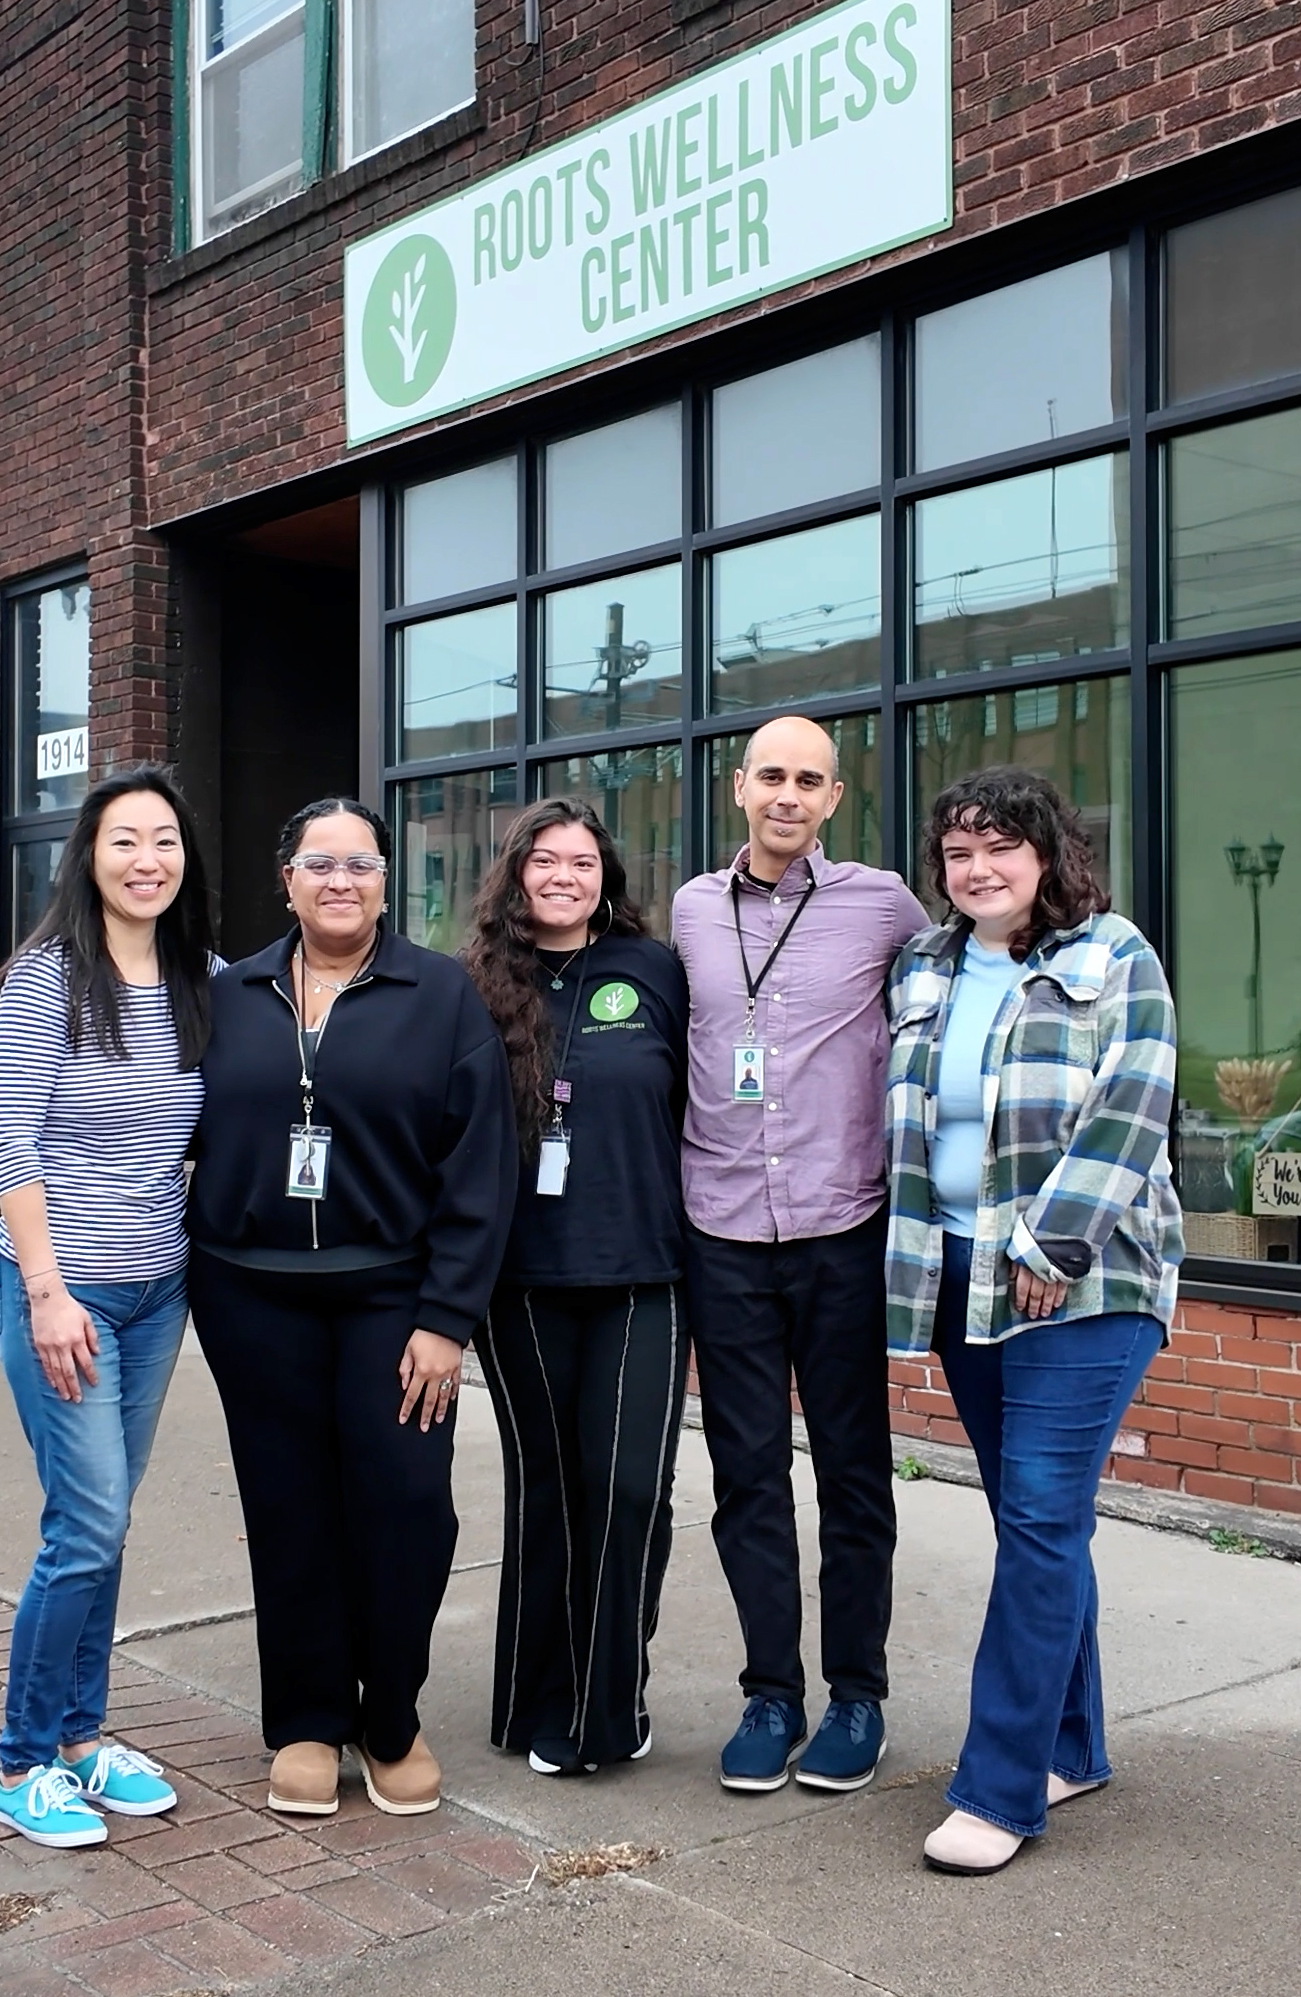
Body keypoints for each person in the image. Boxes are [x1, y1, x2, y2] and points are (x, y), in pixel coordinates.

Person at [185, 796, 518, 1820]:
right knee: (289, 1513)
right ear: (284, 877)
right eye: (319, 863)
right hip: (252, 1298)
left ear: (386, 881)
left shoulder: (441, 995)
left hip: (396, 1299)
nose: (341, 882)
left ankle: (392, 1716)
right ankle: (306, 1721)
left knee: (407, 1508)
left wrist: (447, 1318)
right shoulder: (228, 992)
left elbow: (480, 1169)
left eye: (361, 864)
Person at [883, 765, 1184, 1876]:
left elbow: (1137, 1104)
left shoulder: (1114, 956)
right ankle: (1073, 1743)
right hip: (957, 1272)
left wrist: (1051, 1246)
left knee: (1045, 1517)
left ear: (1048, 853)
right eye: (959, 852)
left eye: (1001, 847)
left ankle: (1001, 1789)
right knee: (1032, 1526)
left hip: (1084, 1280)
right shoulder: (923, 963)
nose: (979, 869)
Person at [667, 716, 927, 1794]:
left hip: (841, 1229)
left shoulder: (886, 904)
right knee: (746, 1478)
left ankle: (856, 1697)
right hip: (721, 1231)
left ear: (833, 796)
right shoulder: (688, 909)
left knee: (856, 1477)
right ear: (740, 788)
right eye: (770, 774)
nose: (787, 793)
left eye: (808, 779)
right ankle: (771, 1695)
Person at [0, 766, 219, 1849]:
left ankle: (82, 1741)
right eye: (126, 841)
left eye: (164, 841)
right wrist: (44, 1292)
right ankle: (21, 1759)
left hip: (156, 1290)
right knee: (85, 1526)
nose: (147, 861)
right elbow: (8, 1146)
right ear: (89, 856)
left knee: (107, 1526)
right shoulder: (45, 980)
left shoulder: (199, 978)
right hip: (62, 1291)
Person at [458, 798, 690, 1777]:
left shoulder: (659, 971)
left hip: (645, 1271)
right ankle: (535, 1700)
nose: (562, 876)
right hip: (520, 1283)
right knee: (548, 1490)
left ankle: (610, 1703)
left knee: (630, 1489)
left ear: (608, 876)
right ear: (513, 876)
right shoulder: (471, 988)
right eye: (543, 861)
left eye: (582, 861)